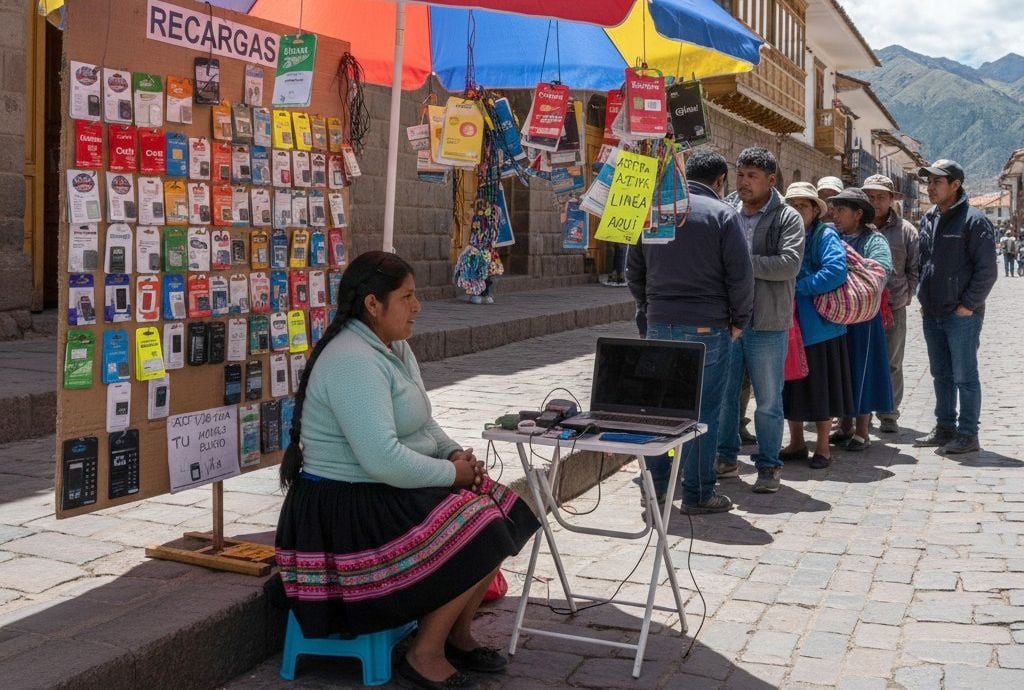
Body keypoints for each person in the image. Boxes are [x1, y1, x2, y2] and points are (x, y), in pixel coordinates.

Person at [274, 251, 539, 690]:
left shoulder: (394, 347)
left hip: (378, 491)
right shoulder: (352, 359)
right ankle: (424, 653)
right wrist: (452, 475)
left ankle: (456, 635)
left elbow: (421, 421)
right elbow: (382, 458)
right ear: (373, 305)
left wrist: (455, 455)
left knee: (498, 506)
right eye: (407, 297)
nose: (417, 306)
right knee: (479, 525)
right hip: (345, 512)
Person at [627, 150, 754, 513]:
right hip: (708, 326)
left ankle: (657, 494)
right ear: (720, 182)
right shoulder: (723, 215)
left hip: (660, 323)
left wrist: (651, 309)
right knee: (704, 414)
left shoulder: (653, 212)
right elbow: (741, 278)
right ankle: (698, 494)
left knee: (659, 411)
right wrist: (738, 321)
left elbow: (633, 272)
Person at [717, 147, 804, 494]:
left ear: (771, 180)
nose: (743, 182)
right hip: (729, 321)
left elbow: (789, 264)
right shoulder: (726, 211)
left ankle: (769, 465)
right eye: (740, 174)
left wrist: (740, 264)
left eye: (752, 176)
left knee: (768, 399)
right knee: (725, 396)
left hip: (768, 323)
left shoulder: (787, 218)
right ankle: (725, 457)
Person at [914, 159, 997, 454]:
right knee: (941, 374)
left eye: (937, 182)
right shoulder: (928, 218)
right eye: (929, 182)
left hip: (961, 315)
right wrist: (922, 297)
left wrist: (968, 306)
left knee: (965, 376)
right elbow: (923, 262)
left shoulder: (974, 221)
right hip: (933, 312)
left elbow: (987, 270)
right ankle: (945, 427)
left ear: (955, 185)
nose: (930, 187)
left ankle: (968, 434)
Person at [778, 182, 854, 469]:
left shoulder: (825, 235)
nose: (797, 210)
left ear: (814, 209)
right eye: (792, 205)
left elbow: (835, 271)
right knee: (792, 385)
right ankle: (796, 442)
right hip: (789, 325)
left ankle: (822, 447)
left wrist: (797, 286)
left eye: (803, 205)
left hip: (820, 327)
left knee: (821, 386)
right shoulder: (784, 235)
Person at [828, 188, 894, 451]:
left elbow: (879, 272)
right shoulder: (832, 237)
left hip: (864, 318)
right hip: (837, 317)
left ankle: (862, 431)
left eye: (841, 210)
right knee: (842, 369)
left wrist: (845, 275)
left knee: (862, 369)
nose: (835, 215)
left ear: (858, 214)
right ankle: (844, 425)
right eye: (834, 209)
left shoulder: (874, 241)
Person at [862, 174, 919, 434]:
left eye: (881, 197)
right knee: (860, 358)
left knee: (892, 361)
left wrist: (907, 294)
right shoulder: (856, 225)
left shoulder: (906, 230)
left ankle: (888, 414)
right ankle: (858, 412)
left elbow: (914, 268)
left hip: (894, 306)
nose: (875, 202)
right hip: (859, 308)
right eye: (870, 197)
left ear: (891, 199)